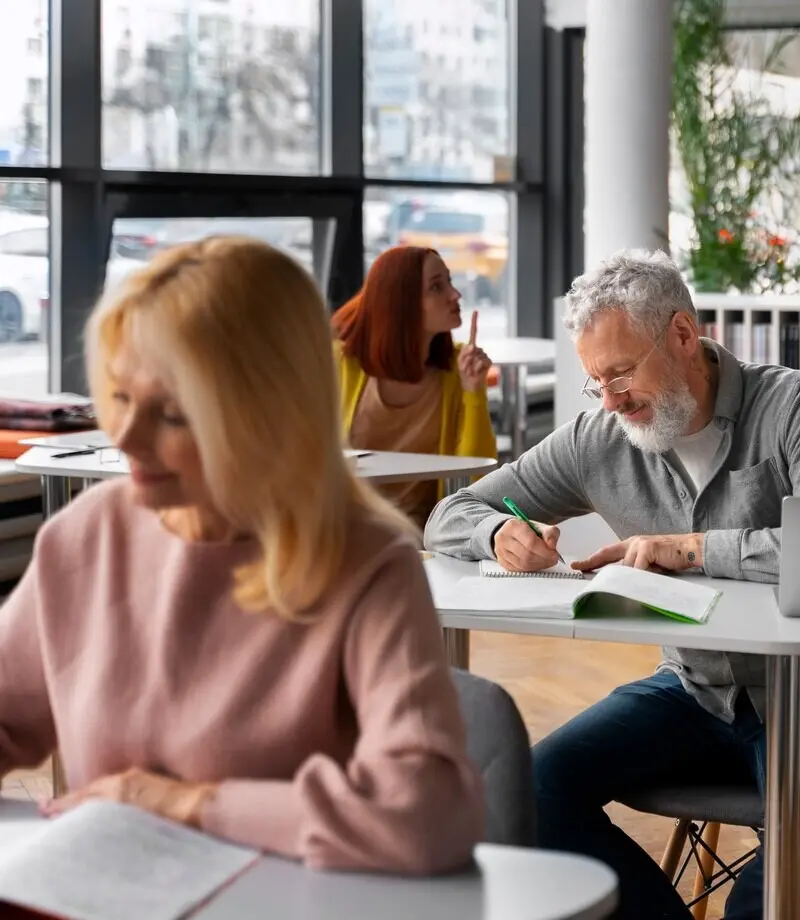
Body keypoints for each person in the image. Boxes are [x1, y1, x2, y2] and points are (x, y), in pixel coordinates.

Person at [424, 248, 800, 920]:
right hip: (693, 692)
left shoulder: (794, 404)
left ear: (679, 335)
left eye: (620, 373)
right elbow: (451, 512)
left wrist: (691, 549)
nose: (611, 400)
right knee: (532, 788)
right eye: (596, 383)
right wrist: (496, 535)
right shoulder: (598, 438)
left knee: (772, 893)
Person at [0, 236, 485, 872]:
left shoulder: (369, 564)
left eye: (173, 413)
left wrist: (182, 803)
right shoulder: (84, 537)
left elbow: (428, 815)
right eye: (119, 398)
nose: (126, 439)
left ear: (267, 415)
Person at [332, 245, 498, 527]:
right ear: (401, 302)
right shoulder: (340, 363)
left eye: (450, 282)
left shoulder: (458, 367)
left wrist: (473, 392)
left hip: (422, 535)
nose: (455, 295)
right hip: (347, 530)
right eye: (437, 286)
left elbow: (475, 480)